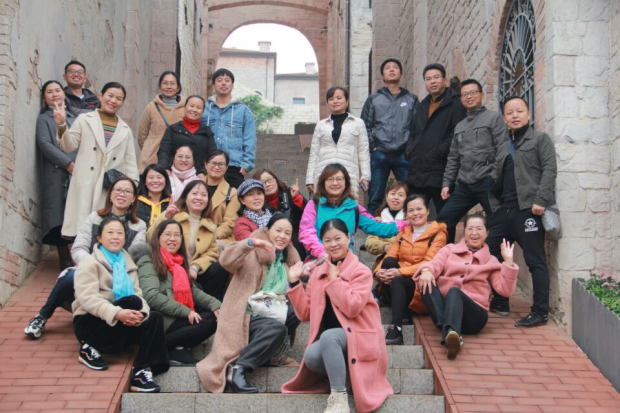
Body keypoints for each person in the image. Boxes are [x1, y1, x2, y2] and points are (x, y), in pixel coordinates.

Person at [282, 218, 392, 413]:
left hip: (360, 336)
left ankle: (339, 398)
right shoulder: (318, 273)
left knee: (329, 336)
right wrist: (294, 283)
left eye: (337, 238)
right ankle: (345, 376)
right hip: (334, 342)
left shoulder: (361, 271)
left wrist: (335, 280)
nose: (333, 244)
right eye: (327, 240)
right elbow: (305, 313)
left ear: (349, 238)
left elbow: (352, 308)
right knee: (311, 356)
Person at [24, 177, 146, 340]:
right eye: (118, 190)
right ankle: (42, 316)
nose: (122, 194)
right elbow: (78, 248)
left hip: (119, 275)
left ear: (133, 198)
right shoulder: (94, 218)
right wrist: (92, 265)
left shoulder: (139, 226)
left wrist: (110, 270)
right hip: (90, 268)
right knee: (71, 276)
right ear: (110, 195)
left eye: (127, 191)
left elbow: (133, 256)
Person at [197, 214, 301, 394]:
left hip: (269, 315)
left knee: (297, 313)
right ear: (267, 230)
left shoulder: (285, 265)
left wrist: (294, 282)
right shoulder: (252, 253)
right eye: (278, 230)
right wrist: (250, 243)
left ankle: (267, 352)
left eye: (287, 233)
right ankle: (239, 368)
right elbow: (226, 261)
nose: (282, 236)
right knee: (277, 328)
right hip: (243, 315)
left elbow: (286, 303)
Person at [72, 216, 169, 392]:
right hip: (90, 322)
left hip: (121, 321)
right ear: (99, 237)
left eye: (120, 233)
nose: (115, 237)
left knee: (154, 317)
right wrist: (117, 313)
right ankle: (89, 346)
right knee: (131, 301)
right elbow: (87, 298)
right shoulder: (89, 262)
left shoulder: (128, 264)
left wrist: (141, 315)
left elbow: (139, 295)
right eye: (110, 232)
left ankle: (141, 372)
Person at [487, 95, 557, 328]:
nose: (514, 115)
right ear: (504, 118)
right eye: (509, 112)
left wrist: (540, 200)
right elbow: (496, 177)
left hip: (528, 211)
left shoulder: (540, 139)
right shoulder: (503, 146)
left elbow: (549, 169)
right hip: (504, 212)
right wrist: (495, 208)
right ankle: (500, 301)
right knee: (490, 253)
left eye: (519, 111)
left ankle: (540, 312)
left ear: (529, 114)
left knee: (535, 261)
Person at [413, 214, 518, 360]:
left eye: (479, 229)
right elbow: (435, 264)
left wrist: (508, 262)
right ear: (464, 231)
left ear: (487, 233)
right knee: (425, 281)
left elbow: (505, 291)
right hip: (446, 310)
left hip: (473, 317)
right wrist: (426, 270)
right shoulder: (449, 249)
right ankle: (452, 333)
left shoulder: (491, 261)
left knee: (454, 291)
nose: (474, 233)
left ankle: (450, 332)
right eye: (470, 228)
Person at [54, 81, 139, 239]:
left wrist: (131, 188)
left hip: (108, 187)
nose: (113, 101)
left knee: (104, 233)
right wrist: (61, 125)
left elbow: (130, 163)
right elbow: (68, 145)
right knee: (81, 232)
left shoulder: (125, 130)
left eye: (119, 98)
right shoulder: (84, 119)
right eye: (110, 96)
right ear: (101, 96)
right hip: (85, 182)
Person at [134, 220, 221, 366]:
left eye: (177, 235)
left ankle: (178, 348)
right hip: (162, 318)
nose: (172, 239)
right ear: (158, 237)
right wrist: (186, 311)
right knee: (207, 321)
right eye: (168, 234)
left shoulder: (179, 263)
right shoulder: (148, 260)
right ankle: (160, 345)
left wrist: (216, 305)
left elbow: (193, 291)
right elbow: (151, 295)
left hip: (177, 315)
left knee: (214, 316)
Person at [437, 79, 508, 243]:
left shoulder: (493, 118)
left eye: (473, 93)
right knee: (443, 221)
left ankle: (495, 257)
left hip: (487, 182)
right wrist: (447, 183)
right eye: (465, 94)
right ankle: (448, 255)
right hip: (465, 184)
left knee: (497, 222)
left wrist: (494, 177)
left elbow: (503, 149)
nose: (469, 97)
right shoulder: (460, 126)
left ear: (481, 94)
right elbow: (453, 158)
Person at [374, 194, 447, 345]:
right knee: (388, 262)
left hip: (420, 286)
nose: (415, 213)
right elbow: (390, 255)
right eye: (411, 210)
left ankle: (396, 328)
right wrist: (378, 273)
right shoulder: (403, 234)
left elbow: (429, 262)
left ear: (427, 211)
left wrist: (400, 272)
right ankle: (402, 315)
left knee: (397, 279)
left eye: (419, 209)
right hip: (399, 283)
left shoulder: (438, 235)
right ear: (406, 214)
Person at [300, 164, 407, 260]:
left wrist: (409, 223)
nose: (335, 183)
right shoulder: (314, 205)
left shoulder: (353, 208)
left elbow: (379, 227)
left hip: (346, 264)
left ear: (346, 182)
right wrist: (322, 254)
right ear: (323, 182)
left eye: (339, 179)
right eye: (330, 179)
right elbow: (306, 233)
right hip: (318, 262)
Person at [148, 180, 229, 300]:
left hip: (195, 272)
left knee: (221, 268)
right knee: (196, 287)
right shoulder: (173, 215)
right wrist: (166, 217)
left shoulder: (210, 226)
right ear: (185, 197)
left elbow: (211, 253)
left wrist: (195, 267)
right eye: (194, 193)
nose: (199, 198)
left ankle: (212, 305)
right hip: (172, 269)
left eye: (203, 195)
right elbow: (150, 238)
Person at [361, 58, 420, 215]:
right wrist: (373, 146)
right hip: (380, 153)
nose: (392, 69)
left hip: (404, 154)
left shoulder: (411, 99)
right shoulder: (374, 99)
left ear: (401, 73)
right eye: (388, 68)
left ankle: (407, 228)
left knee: (409, 197)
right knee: (375, 197)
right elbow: (365, 125)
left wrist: (410, 148)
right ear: (382, 75)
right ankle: (372, 229)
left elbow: (417, 127)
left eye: (395, 67)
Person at [406, 63, 467, 213]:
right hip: (418, 171)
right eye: (428, 79)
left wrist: (441, 150)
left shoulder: (456, 103)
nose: (432, 81)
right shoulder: (422, 105)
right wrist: (410, 150)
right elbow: (413, 132)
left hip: (441, 170)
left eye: (436, 77)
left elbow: (457, 131)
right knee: (415, 214)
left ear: (445, 80)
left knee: (444, 217)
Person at [35, 80, 78, 270]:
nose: (55, 94)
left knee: (77, 213)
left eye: (58, 90)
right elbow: (45, 144)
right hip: (57, 172)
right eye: (50, 92)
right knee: (58, 215)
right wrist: (67, 163)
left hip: (78, 171)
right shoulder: (44, 119)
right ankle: (64, 258)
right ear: (44, 97)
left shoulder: (74, 117)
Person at [306, 87, 370, 199]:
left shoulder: (358, 123)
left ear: (347, 101)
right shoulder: (321, 125)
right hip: (324, 173)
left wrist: (366, 176)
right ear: (327, 103)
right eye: (331, 99)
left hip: (349, 173)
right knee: (323, 206)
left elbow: (363, 151)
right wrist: (310, 179)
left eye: (339, 98)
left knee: (348, 206)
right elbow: (314, 153)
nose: (335, 101)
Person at [201, 68, 257, 188]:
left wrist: (246, 163)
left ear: (232, 85)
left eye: (227, 80)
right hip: (208, 165)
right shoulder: (204, 109)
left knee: (235, 198)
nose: (223, 83)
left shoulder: (243, 111)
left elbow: (250, 139)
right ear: (214, 85)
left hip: (234, 166)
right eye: (219, 80)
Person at [157, 95, 217, 180]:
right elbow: (164, 151)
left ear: (203, 111)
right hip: (173, 176)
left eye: (198, 108)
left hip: (199, 177)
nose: (194, 110)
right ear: (185, 107)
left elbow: (212, 156)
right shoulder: (173, 129)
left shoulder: (207, 132)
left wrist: (204, 172)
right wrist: (165, 168)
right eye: (191, 106)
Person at [254, 168, 307, 260]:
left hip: (296, 241)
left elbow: (309, 213)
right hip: (271, 242)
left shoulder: (290, 193)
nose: (268, 184)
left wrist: (297, 198)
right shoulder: (258, 203)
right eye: (262, 182)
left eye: (270, 180)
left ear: (276, 180)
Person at [138, 71, 185, 172]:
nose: (169, 86)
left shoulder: (185, 108)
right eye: (165, 83)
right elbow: (142, 135)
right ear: (160, 86)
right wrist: (150, 149)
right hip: (152, 158)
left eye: (172, 83)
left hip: (178, 160)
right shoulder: (151, 107)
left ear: (178, 87)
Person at [204, 150, 240, 246]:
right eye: (213, 163)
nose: (216, 167)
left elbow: (229, 224)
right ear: (206, 164)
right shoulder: (194, 187)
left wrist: (208, 237)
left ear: (227, 167)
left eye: (221, 164)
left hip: (219, 239)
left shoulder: (233, 193)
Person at [364, 180, 408, 257]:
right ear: (387, 196)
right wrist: (384, 246)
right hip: (383, 259)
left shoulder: (410, 220)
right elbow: (370, 242)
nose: (396, 197)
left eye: (400, 195)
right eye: (393, 194)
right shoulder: (378, 219)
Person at [137, 164, 172, 228]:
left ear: (166, 181)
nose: (155, 181)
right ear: (145, 181)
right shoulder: (136, 203)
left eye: (159, 177)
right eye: (151, 177)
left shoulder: (171, 204)